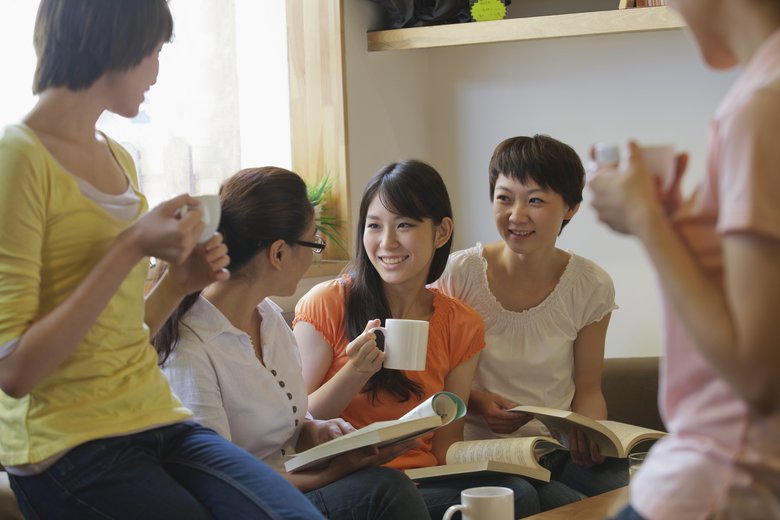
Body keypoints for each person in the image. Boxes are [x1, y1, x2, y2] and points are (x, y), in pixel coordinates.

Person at [0, 2, 323, 518]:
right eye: (153, 51)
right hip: (65, 445)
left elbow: (119, 334)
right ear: (113, 43)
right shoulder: (18, 157)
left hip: (155, 419)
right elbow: (15, 370)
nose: (156, 68)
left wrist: (178, 283)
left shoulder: (119, 159)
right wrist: (130, 247)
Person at [589, 1, 780, 519]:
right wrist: (672, 227)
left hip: (725, 475)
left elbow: (757, 375)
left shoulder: (759, 109)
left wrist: (648, 223)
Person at [154, 167, 431, 520]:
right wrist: (333, 472)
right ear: (279, 253)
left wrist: (317, 431)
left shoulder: (268, 317)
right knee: (386, 490)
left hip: (293, 484)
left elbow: (288, 427)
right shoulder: (190, 346)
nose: (316, 255)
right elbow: (219, 480)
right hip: (247, 505)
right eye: (314, 243)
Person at [293, 159, 542, 518]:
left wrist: (503, 462)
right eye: (374, 226)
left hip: (424, 482)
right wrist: (356, 372)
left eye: (405, 225)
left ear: (441, 232)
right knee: (395, 494)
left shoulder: (461, 323)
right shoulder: (329, 303)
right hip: (342, 481)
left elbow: (446, 442)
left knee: (517, 494)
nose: (386, 242)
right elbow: (295, 421)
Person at [432, 135, 628, 509]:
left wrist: (591, 435)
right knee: (561, 502)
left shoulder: (591, 284)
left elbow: (588, 388)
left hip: (551, 447)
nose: (516, 215)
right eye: (504, 198)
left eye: (535, 200)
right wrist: (476, 401)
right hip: (476, 447)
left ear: (570, 208)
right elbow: (432, 374)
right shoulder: (459, 273)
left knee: (622, 482)